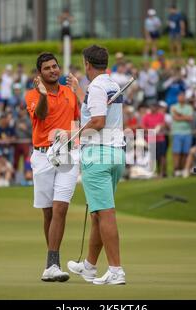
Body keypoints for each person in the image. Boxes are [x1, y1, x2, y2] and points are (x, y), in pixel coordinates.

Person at [66, 45, 126, 285]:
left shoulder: (98, 86)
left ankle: (116, 270)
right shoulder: (111, 84)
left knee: (106, 213)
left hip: (98, 154)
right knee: (99, 214)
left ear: (87, 64)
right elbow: (94, 109)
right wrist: (80, 93)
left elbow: (98, 121)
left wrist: (73, 135)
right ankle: (89, 266)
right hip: (114, 153)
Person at [25, 52, 80, 282]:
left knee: (60, 208)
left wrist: (79, 91)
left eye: (55, 66)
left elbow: (81, 119)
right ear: (40, 73)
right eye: (47, 68)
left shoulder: (70, 92)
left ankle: (52, 264)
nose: (53, 71)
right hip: (42, 155)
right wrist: (44, 94)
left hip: (67, 151)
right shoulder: (32, 95)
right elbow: (41, 114)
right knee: (48, 211)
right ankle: (53, 263)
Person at [171, 92, 193, 176]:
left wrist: (179, 114)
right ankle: (176, 169)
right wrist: (185, 117)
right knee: (176, 152)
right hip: (177, 132)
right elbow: (175, 118)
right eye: (180, 96)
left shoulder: (189, 107)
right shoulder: (173, 107)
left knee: (185, 152)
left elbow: (190, 118)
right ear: (177, 98)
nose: (181, 98)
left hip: (187, 132)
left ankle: (183, 169)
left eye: (183, 96)